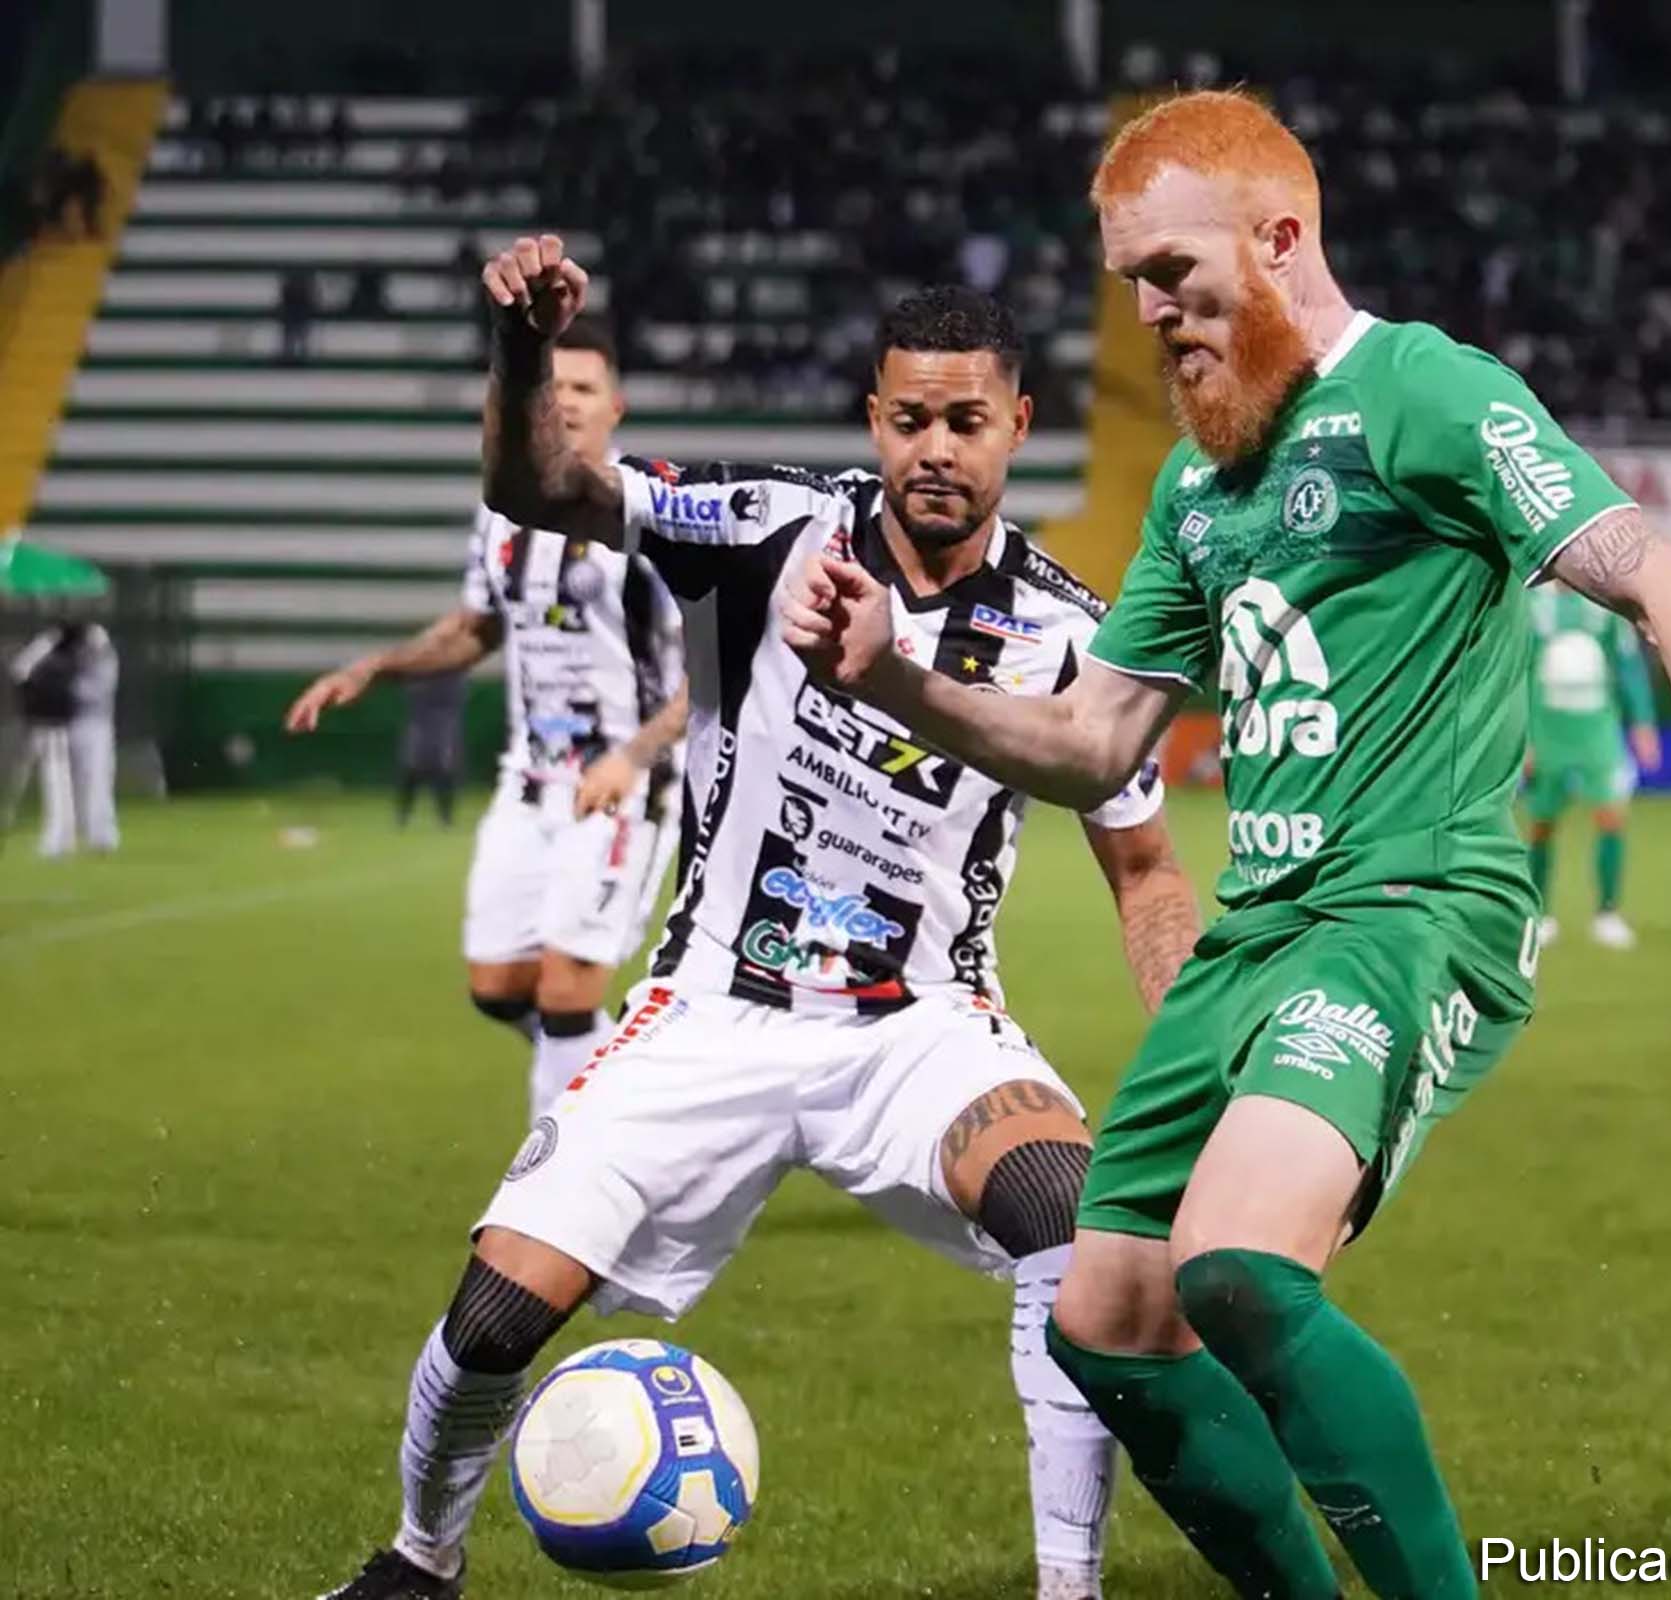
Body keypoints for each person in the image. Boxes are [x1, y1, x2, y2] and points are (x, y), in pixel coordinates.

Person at [779, 90, 1671, 1600]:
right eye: (1132, 284)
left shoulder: (1427, 393)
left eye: (1173, 275)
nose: (1151, 316)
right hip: (1256, 933)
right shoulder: (1200, 484)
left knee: (1239, 1272)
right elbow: (1092, 743)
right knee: (1107, 1325)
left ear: (1279, 240)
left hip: (1411, 909)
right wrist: (894, 679)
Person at [309, 268, 1200, 1600]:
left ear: (1019, 423)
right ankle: (418, 1563)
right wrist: (521, 348)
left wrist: (1198, 1061)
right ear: (873, 417)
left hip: (922, 1026)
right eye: (910, 420)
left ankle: (1066, 1589)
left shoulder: (1072, 635)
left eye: (966, 422)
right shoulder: (766, 525)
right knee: (495, 1314)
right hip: (712, 1009)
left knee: (1073, 1222)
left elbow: (1146, 872)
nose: (936, 450)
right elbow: (540, 491)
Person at [287, 319, 688, 1121]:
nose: (566, 402)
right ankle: (641, 1099)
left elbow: (711, 673)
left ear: (615, 407)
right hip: (530, 781)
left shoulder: (655, 515)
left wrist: (632, 759)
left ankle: (558, 1170)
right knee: (498, 984)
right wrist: (378, 666)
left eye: (583, 388)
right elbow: (476, 628)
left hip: (625, 786)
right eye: (552, 387)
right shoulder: (501, 515)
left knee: (568, 991)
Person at [1524, 578, 1662, 948]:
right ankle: (1539, 914)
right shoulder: (1530, 603)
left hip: (1597, 725)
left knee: (1611, 815)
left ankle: (1607, 913)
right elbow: (1515, 670)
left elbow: (1628, 665)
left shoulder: (1604, 606)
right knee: (1541, 823)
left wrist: (1643, 722)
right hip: (1546, 725)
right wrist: (1520, 736)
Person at [9, 619, 118, 856]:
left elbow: (95, 692)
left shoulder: (101, 659)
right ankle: (61, 837)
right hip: (59, 725)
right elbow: (21, 669)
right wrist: (46, 643)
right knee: (59, 784)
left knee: (96, 780)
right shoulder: (57, 655)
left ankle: (100, 835)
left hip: (93, 724)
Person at [396, 668, 467, 827]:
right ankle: (403, 815)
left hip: (443, 726)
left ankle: (445, 817)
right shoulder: (420, 673)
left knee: (444, 770)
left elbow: (455, 696)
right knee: (411, 770)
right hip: (421, 726)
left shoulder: (453, 675)